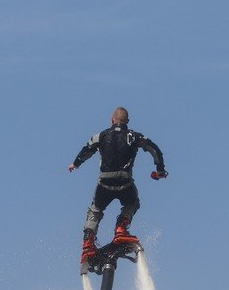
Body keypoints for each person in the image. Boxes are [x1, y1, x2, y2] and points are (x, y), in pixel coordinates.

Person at [68, 107, 168, 267]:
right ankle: (121, 228)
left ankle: (88, 241)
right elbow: (154, 149)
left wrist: (76, 163)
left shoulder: (101, 136)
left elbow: (87, 149)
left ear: (112, 120)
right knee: (133, 203)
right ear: (127, 122)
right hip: (125, 183)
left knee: (95, 210)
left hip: (105, 183)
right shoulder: (134, 136)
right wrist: (160, 170)